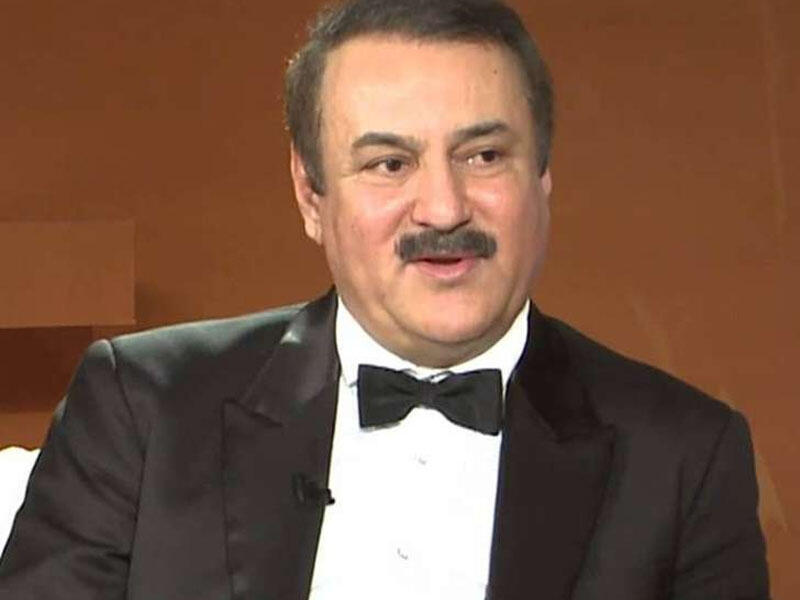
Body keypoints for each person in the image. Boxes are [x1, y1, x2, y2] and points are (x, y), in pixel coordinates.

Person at [0, 0, 769, 598]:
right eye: (389, 164)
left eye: (484, 155)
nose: (443, 208)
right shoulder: (141, 408)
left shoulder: (685, 456)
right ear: (310, 194)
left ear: (543, 177)